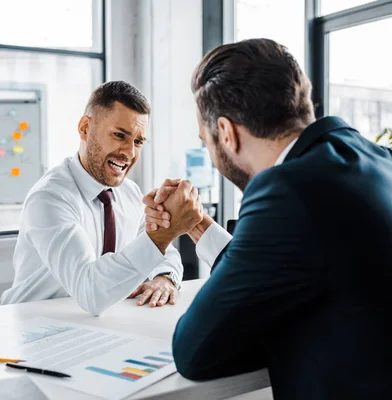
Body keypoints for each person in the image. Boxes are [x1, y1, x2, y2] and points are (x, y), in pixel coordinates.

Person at [142, 39, 392, 399]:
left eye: (207, 141)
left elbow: (195, 349)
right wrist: (196, 224)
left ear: (226, 133)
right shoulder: (373, 158)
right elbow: (280, 267)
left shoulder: (286, 189)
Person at [0, 81, 189, 315]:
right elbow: (90, 292)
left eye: (138, 142)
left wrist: (164, 277)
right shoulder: (50, 198)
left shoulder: (129, 193)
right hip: (34, 327)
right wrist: (161, 236)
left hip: (96, 324)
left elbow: (163, 251)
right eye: (120, 135)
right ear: (85, 128)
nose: (130, 153)